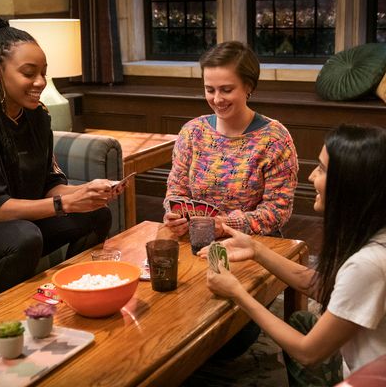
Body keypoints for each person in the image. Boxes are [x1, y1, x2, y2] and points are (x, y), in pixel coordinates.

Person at [203, 124, 386, 385]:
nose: (311, 176)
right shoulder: (376, 233)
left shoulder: (369, 264)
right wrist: (256, 249)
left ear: (350, 184)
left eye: (322, 169)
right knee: (302, 319)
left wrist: (238, 294)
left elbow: (307, 352)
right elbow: (326, 285)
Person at [0, 18, 125, 295]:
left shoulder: (38, 117)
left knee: (96, 214)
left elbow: (50, 184)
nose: (39, 82)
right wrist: (65, 204)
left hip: (25, 221)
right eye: (29, 73)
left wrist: (86, 192)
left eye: (43, 73)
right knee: (25, 237)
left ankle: (78, 292)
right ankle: (1, 319)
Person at [163, 41, 298, 238]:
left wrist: (225, 225)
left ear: (248, 86)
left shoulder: (275, 138)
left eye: (226, 90)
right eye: (210, 90)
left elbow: (277, 211)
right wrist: (174, 215)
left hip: (255, 245)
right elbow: (176, 192)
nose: (217, 99)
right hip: (196, 238)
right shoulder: (192, 132)